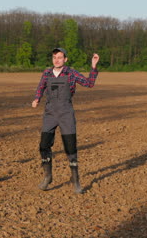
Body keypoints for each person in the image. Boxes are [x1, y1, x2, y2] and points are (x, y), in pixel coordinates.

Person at [32, 48, 99, 192]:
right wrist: (37, 98)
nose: (57, 60)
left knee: (70, 147)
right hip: (50, 113)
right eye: (54, 57)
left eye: (60, 57)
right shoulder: (47, 73)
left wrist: (93, 67)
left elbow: (89, 83)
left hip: (66, 113)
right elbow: (41, 86)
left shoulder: (71, 73)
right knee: (44, 145)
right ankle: (47, 177)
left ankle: (75, 181)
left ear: (65, 59)